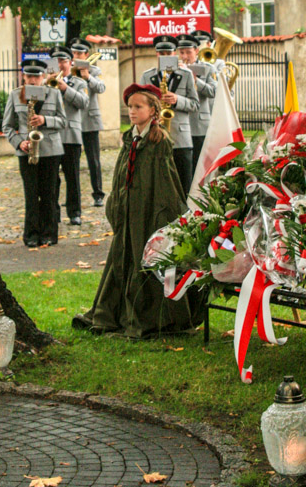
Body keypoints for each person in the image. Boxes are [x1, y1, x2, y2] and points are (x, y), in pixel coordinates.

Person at [71, 83, 203, 339]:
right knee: (123, 258)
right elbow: (122, 175)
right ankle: (116, 311)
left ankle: (151, 316)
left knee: (145, 260)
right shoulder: (130, 139)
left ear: (153, 110)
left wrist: (164, 216)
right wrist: (116, 204)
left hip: (149, 213)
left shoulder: (158, 141)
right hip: (128, 211)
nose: (132, 111)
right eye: (130, 106)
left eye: (138, 107)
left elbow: (166, 182)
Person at [2, 58, 66, 247]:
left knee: (48, 194)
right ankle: (31, 234)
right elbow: (7, 126)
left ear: (43, 77)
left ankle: (49, 234)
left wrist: (45, 120)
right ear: (24, 77)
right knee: (31, 194)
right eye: (29, 76)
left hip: (51, 151)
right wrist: (19, 143)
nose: (32, 80)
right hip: (26, 150)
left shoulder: (54, 94)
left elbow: (64, 121)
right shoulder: (15, 95)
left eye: (36, 76)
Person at [140, 35, 199, 195]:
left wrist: (177, 100)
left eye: (169, 53)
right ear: (157, 54)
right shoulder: (147, 76)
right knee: (158, 184)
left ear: (175, 54)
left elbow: (195, 104)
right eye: (162, 53)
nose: (165, 56)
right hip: (155, 135)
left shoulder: (186, 75)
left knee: (184, 184)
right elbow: (140, 104)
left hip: (181, 139)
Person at [49, 45, 89, 226]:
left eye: (63, 61)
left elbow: (84, 103)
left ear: (70, 62)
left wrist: (65, 88)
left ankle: (74, 212)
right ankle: (53, 213)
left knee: (72, 177)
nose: (59, 65)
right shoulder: (46, 82)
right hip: (51, 135)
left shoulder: (79, 82)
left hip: (71, 135)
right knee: (51, 178)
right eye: (56, 61)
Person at [69, 37, 106, 207]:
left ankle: (98, 194)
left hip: (90, 119)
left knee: (93, 159)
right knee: (71, 161)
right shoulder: (68, 71)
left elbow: (101, 88)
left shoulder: (94, 70)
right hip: (73, 120)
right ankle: (72, 196)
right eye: (74, 53)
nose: (76, 56)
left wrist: (88, 77)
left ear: (86, 54)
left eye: (79, 53)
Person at [176, 34, 217, 172]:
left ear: (196, 51)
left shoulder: (208, 68)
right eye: (182, 52)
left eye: (188, 52)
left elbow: (213, 92)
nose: (185, 56)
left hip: (199, 124)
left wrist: (195, 80)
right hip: (181, 124)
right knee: (184, 166)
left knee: (200, 165)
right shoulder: (176, 69)